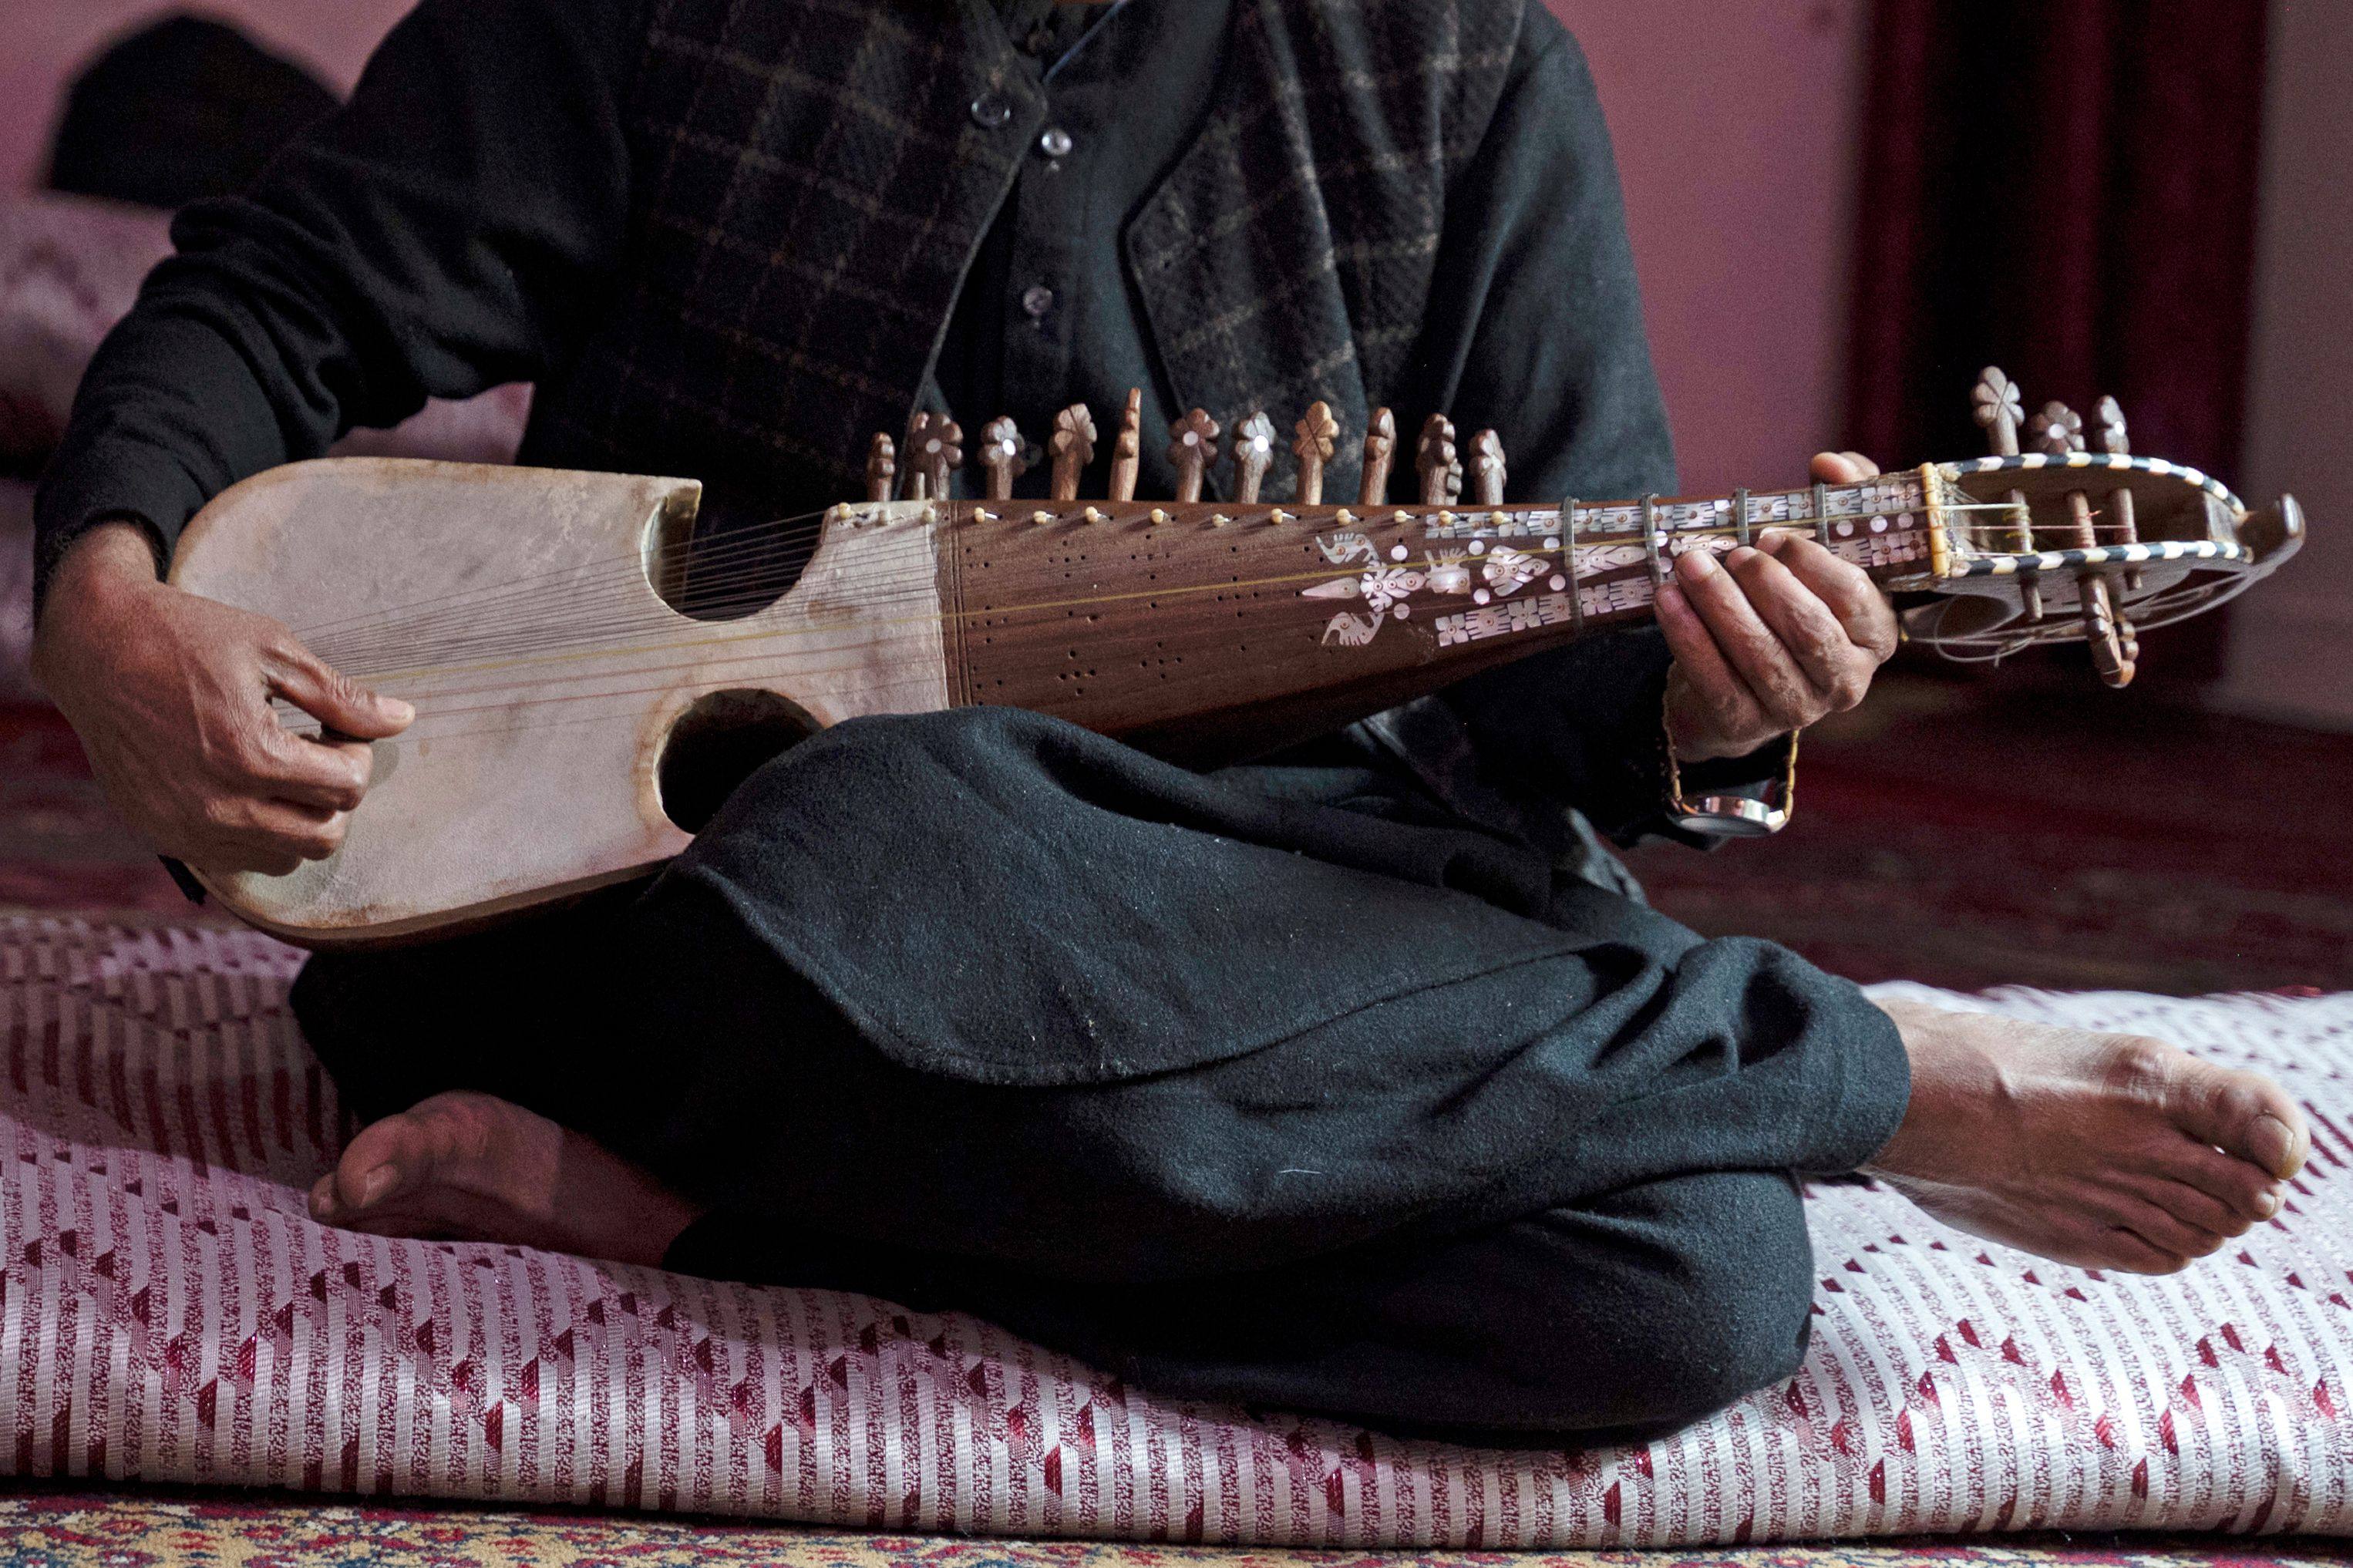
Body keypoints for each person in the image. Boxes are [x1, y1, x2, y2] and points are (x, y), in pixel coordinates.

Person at [27, 0, 2308, 1444]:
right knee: (899, 827)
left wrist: (1711, 687)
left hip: (1253, 939)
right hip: (683, 910)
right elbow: (280, 290)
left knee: (1677, 1289)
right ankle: (1868, 1067)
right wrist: (114, 600)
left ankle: (715, 1229)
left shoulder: (1457, 68)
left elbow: (1560, 691)